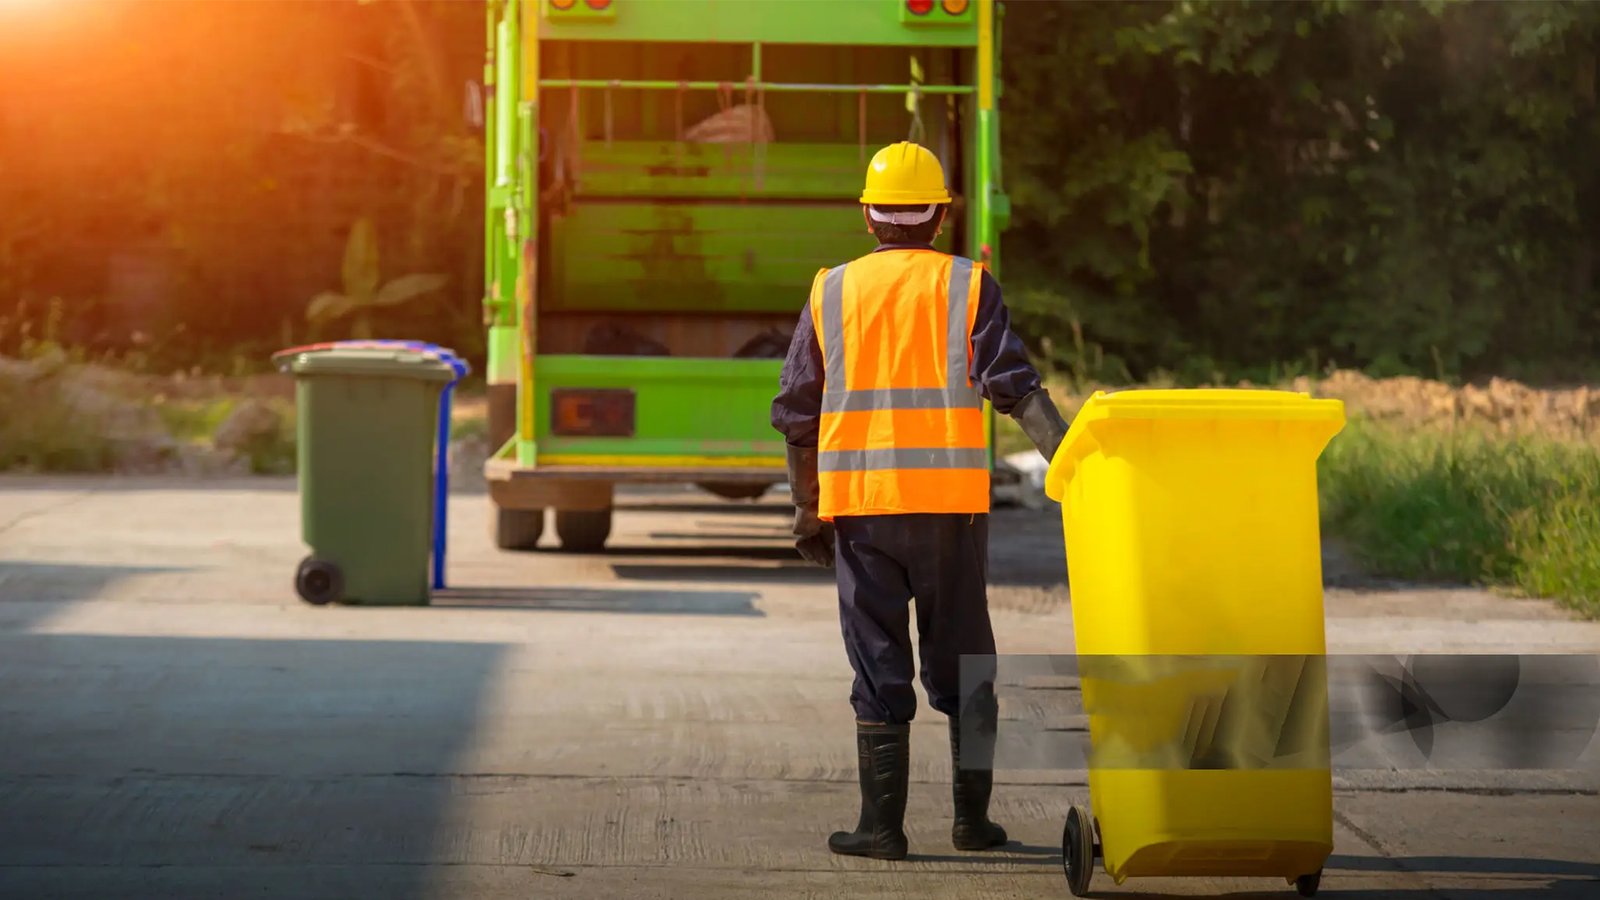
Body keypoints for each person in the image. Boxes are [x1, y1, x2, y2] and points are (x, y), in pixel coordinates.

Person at [770, 141, 1070, 860]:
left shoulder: (830, 290)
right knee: (965, 661)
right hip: (949, 513)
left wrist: (806, 508)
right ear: (939, 217)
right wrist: (1073, 462)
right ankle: (973, 824)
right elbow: (1014, 385)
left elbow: (796, 414)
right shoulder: (970, 285)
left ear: (869, 215)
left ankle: (881, 829)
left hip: (862, 511)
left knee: (877, 662)